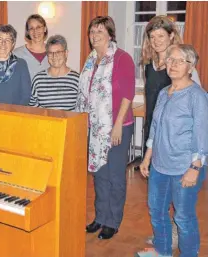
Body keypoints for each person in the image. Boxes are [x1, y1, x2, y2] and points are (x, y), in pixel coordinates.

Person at [136, 44, 208, 257]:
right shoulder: (163, 93)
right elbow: (155, 128)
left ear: (190, 66)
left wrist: (194, 167)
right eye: (170, 60)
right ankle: (163, 251)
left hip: (184, 167)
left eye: (179, 61)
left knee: (183, 218)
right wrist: (147, 158)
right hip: (159, 166)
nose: (173, 64)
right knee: (157, 212)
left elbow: (203, 134)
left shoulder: (198, 96)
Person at [77, 16, 135, 240]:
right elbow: (85, 94)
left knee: (115, 176)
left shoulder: (122, 58)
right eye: (92, 31)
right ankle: (100, 217)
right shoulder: (91, 59)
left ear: (110, 34)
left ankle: (112, 221)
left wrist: (118, 125)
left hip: (117, 125)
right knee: (99, 173)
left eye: (100, 31)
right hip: (94, 126)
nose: (95, 35)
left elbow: (128, 94)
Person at [29, 35, 79, 110]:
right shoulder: (38, 80)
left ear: (66, 53)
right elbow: (32, 109)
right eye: (50, 53)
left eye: (58, 52)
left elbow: (82, 109)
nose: (54, 56)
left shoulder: (77, 79)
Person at [13, 14, 50, 80]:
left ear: (44, 29)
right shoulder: (17, 54)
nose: (35, 31)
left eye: (38, 27)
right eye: (31, 28)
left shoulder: (53, 52)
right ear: (28, 32)